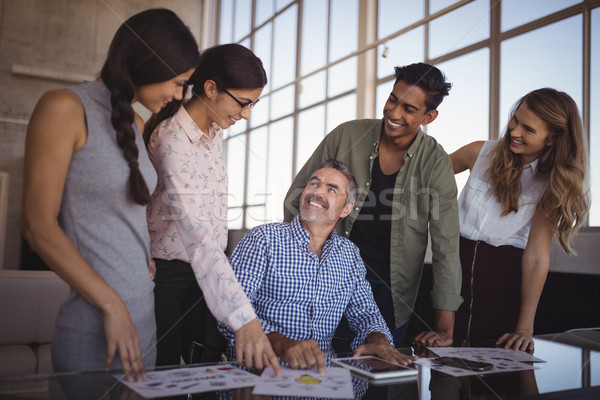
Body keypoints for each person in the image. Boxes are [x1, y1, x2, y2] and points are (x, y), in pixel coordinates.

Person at [21, 9, 199, 381]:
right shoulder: (64, 107)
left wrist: (142, 254)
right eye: (178, 82)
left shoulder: (135, 124)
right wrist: (112, 304)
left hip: (142, 320)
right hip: (97, 324)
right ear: (149, 60)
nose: (178, 95)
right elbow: (37, 226)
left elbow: (125, 213)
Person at [284, 62, 463, 348]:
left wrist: (444, 329)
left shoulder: (436, 163)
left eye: (409, 109)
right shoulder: (346, 136)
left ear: (429, 116)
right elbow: (297, 197)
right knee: (315, 376)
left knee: (379, 383)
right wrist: (299, 267)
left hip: (391, 295)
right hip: (326, 281)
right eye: (393, 99)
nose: (393, 113)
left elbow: (447, 246)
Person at [144, 44, 280, 373]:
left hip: (204, 274)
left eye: (253, 105)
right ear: (210, 88)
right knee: (165, 377)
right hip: (168, 276)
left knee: (203, 371)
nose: (247, 114)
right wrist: (243, 318)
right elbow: (197, 230)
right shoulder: (172, 140)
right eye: (243, 103)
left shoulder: (213, 132)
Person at [220, 160, 416, 373]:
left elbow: (365, 312)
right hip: (258, 371)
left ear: (346, 209)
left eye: (331, 189)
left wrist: (378, 340)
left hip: (323, 375)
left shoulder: (349, 254)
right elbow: (230, 310)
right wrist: (279, 343)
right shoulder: (263, 239)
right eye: (314, 184)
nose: (318, 192)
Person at [450, 88, 589, 352]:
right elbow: (424, 177)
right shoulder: (478, 152)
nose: (514, 132)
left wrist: (525, 327)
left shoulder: (552, 184)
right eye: (515, 120)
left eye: (528, 129)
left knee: (492, 381)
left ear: (551, 140)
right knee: (444, 369)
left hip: (504, 282)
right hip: (452, 271)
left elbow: (536, 255)